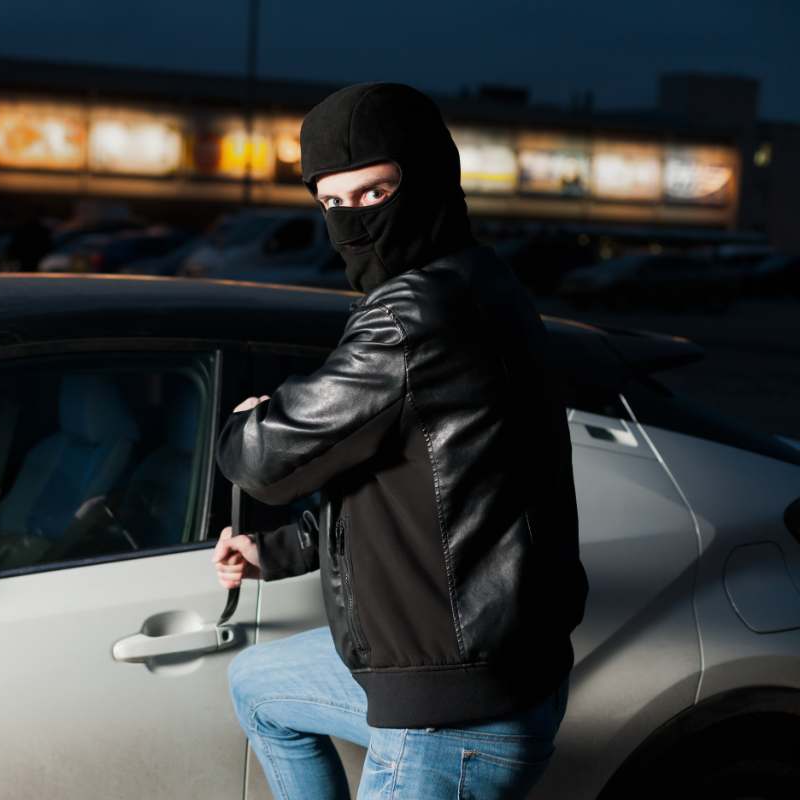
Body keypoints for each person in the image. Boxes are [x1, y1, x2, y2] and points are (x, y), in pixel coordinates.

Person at [211, 82, 589, 799]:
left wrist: (244, 420)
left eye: (375, 192)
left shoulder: (413, 314)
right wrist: (280, 550)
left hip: (452, 720)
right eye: (332, 203)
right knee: (258, 684)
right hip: (477, 666)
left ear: (431, 178)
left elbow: (264, 459)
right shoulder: (484, 282)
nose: (354, 221)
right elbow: (405, 485)